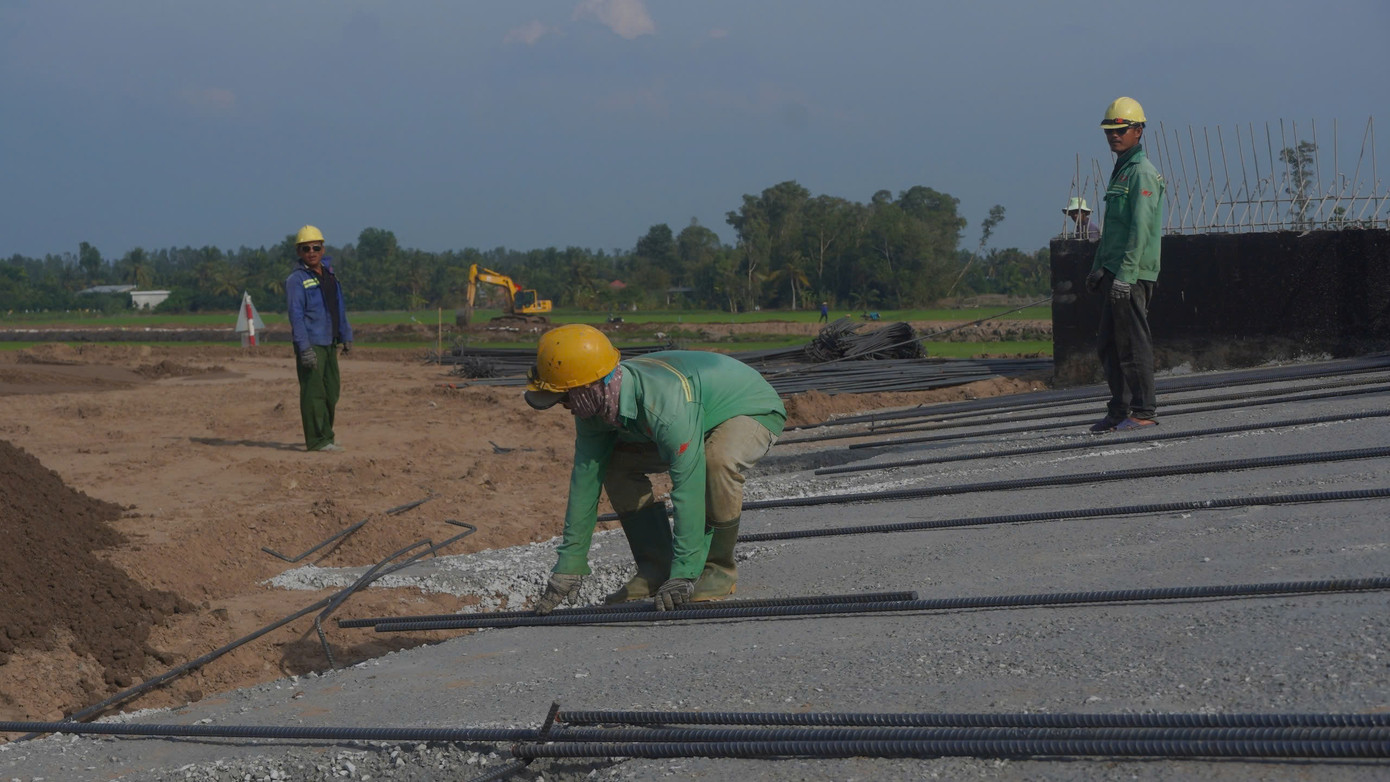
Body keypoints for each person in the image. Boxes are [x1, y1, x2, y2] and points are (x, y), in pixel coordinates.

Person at [525, 324, 786, 613]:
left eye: (564, 398)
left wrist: (684, 573)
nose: (565, 407)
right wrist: (569, 566)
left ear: (588, 386)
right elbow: (586, 479)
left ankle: (717, 570)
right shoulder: (594, 403)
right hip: (694, 412)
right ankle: (656, 568)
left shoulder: (663, 403)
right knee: (614, 467)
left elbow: (688, 483)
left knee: (716, 463)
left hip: (747, 407)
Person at [1085, 97, 1164, 433]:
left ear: (1139, 131)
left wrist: (1126, 277)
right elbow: (1114, 230)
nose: (1114, 135)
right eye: (1110, 130)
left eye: (1121, 129)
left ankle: (1143, 411)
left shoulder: (1142, 174)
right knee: (1109, 345)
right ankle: (1119, 410)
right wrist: (1098, 267)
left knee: (1133, 344)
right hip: (1114, 273)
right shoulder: (1123, 170)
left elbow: (1140, 229)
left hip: (1131, 275)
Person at [286, 225, 353, 452]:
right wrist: (304, 349)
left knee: (331, 391)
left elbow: (339, 307)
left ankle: (327, 435)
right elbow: (296, 316)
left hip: (330, 341)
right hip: (312, 343)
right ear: (299, 252)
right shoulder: (296, 280)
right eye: (306, 248)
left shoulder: (330, 276)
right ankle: (317, 441)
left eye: (316, 247)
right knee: (314, 393)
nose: (311, 252)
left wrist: (346, 335)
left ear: (323, 249)